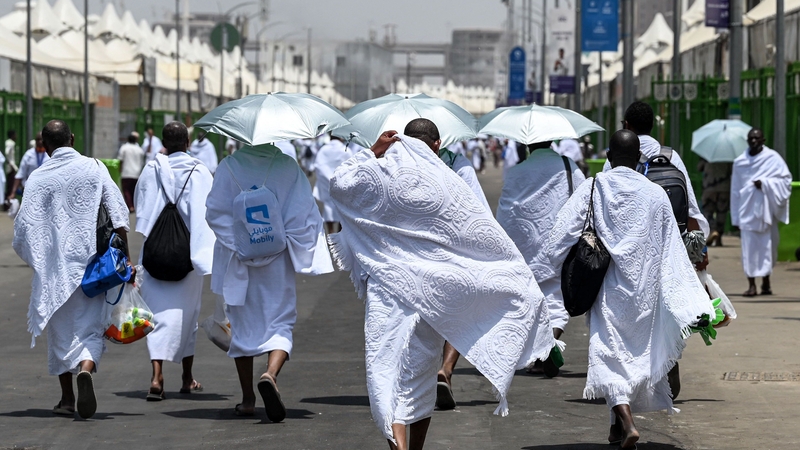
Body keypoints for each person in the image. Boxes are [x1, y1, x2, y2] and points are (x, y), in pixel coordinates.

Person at [328, 130, 555, 450]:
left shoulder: (379, 178)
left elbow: (339, 182)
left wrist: (372, 151)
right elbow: (478, 228)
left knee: (386, 372)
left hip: (388, 290)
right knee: (420, 380)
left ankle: (398, 446)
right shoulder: (446, 185)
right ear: (434, 145)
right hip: (430, 293)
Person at [536, 130, 714, 449]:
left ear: (607, 157)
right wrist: (693, 301)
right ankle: (617, 427)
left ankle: (628, 422)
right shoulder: (656, 194)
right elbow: (672, 250)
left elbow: (560, 234)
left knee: (608, 355)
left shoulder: (594, 187)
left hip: (608, 289)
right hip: (644, 295)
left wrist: (541, 268)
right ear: (639, 160)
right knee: (631, 359)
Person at [205, 141, 333, 421]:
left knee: (240, 326)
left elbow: (214, 212)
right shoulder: (287, 166)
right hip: (278, 261)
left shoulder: (229, 166)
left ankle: (248, 399)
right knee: (280, 321)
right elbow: (305, 213)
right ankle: (270, 374)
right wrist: (288, 243)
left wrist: (240, 243)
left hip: (239, 261)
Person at [13, 120, 131, 419]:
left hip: (55, 271)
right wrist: (126, 259)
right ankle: (87, 368)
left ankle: (67, 399)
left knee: (60, 334)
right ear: (73, 138)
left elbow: (23, 229)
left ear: (45, 145)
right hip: (93, 269)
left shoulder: (38, 178)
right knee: (91, 328)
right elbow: (118, 213)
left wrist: (40, 259)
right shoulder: (94, 167)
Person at [401, 119, 491, 412]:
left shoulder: (396, 163)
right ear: (438, 142)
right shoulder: (457, 163)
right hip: (453, 251)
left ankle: (412, 381)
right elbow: (479, 210)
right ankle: (446, 370)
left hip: (411, 255)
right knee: (460, 313)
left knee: (415, 318)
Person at [134, 122, 216, 401]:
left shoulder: (150, 169)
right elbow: (209, 212)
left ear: (164, 142)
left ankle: (157, 376)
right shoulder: (200, 171)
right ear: (188, 142)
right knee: (187, 315)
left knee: (154, 316)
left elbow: (141, 208)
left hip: (155, 252)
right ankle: (186, 377)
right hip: (188, 254)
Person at [497, 139, 586, 377]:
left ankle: (541, 352)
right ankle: (551, 344)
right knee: (557, 297)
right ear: (552, 141)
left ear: (528, 145)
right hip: (560, 242)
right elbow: (583, 199)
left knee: (533, 299)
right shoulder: (568, 166)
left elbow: (506, 209)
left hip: (526, 245)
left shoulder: (517, 171)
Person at [730, 128, 792, 297]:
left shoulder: (772, 159)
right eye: (751, 138)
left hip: (766, 212)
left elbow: (786, 181)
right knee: (748, 250)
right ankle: (751, 285)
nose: (754, 141)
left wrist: (765, 184)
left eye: (757, 138)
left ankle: (766, 281)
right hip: (747, 212)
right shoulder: (740, 162)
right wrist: (735, 217)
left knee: (768, 249)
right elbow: (735, 191)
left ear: (763, 140)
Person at [313, 135, 353, 234]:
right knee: (341, 210)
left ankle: (330, 236)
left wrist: (327, 179)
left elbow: (318, 166)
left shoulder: (323, 150)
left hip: (326, 185)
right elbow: (352, 168)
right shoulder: (346, 150)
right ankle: (340, 236)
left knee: (328, 210)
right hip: (342, 185)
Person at [698, 158, 732, 247]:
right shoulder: (728, 157)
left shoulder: (706, 155)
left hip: (710, 187)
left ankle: (713, 229)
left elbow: (699, 168)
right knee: (722, 212)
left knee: (708, 210)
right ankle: (719, 238)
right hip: (724, 187)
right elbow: (732, 171)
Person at [7, 133, 49, 201]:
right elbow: (20, 174)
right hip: (29, 190)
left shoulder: (50, 155)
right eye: (38, 140)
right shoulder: (29, 154)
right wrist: (13, 193)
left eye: (42, 140)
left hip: (45, 190)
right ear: (35, 141)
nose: (40, 142)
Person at [118, 132, 146, 213]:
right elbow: (142, 161)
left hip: (126, 172)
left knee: (126, 190)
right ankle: (133, 205)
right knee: (134, 191)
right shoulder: (139, 150)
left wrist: (120, 169)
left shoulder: (124, 148)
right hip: (136, 173)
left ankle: (130, 206)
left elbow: (121, 159)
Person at [4, 130, 18, 198]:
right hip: (11, 166)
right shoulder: (11, 143)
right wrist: (10, 163)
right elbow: (6, 152)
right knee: (10, 184)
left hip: (9, 166)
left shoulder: (7, 142)